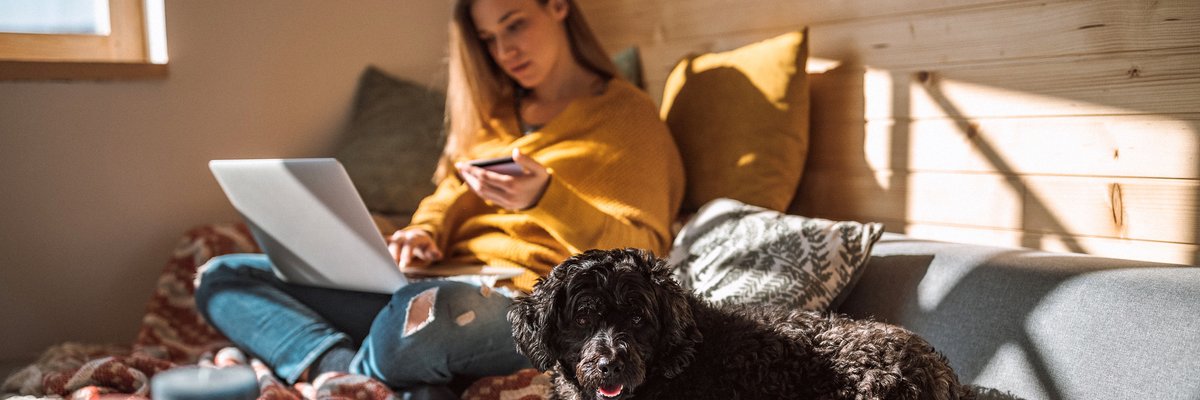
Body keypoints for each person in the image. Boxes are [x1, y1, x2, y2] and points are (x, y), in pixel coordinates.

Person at [193, 0, 684, 393]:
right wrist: (423, 232)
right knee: (223, 276)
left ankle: (369, 367)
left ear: (558, 6)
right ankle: (347, 367)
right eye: (489, 39)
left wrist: (546, 197)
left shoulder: (628, 117)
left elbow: (640, 251)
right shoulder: (493, 115)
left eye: (514, 25)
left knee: (430, 316)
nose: (505, 51)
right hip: (429, 283)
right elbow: (449, 192)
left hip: (517, 299)